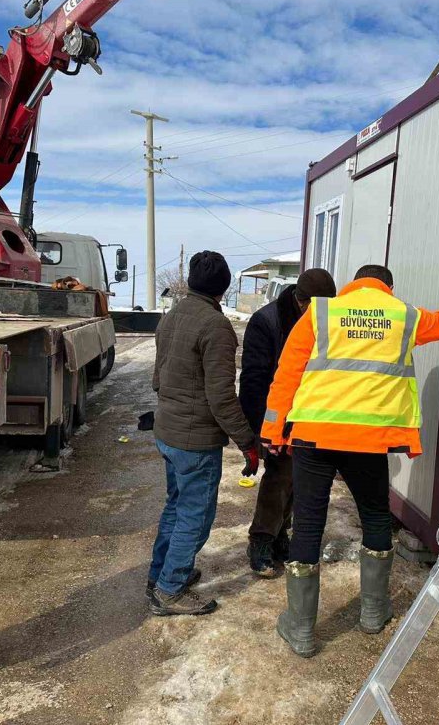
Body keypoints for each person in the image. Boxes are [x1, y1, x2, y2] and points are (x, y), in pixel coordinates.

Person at [261, 264, 439, 657]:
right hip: (368, 437)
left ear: (351, 286)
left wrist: (273, 430)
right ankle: (373, 614)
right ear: (388, 287)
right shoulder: (403, 315)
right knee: (376, 516)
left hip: (315, 433)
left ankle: (301, 629)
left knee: (309, 522)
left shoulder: (322, 312)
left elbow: (287, 373)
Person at [148, 251, 262, 616]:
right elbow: (222, 397)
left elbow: (157, 376)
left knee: (175, 507)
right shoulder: (216, 327)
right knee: (194, 516)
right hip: (194, 440)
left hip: (168, 431)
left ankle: (160, 575)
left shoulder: (172, 316)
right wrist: (247, 441)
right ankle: (171, 588)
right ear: (224, 287)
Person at [239, 269, 337, 578]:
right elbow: (253, 381)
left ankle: (280, 533)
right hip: (277, 415)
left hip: (310, 415)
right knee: (279, 478)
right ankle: (261, 541)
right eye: (314, 307)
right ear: (299, 300)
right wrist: (261, 429)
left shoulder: (326, 317)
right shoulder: (266, 322)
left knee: (298, 480)